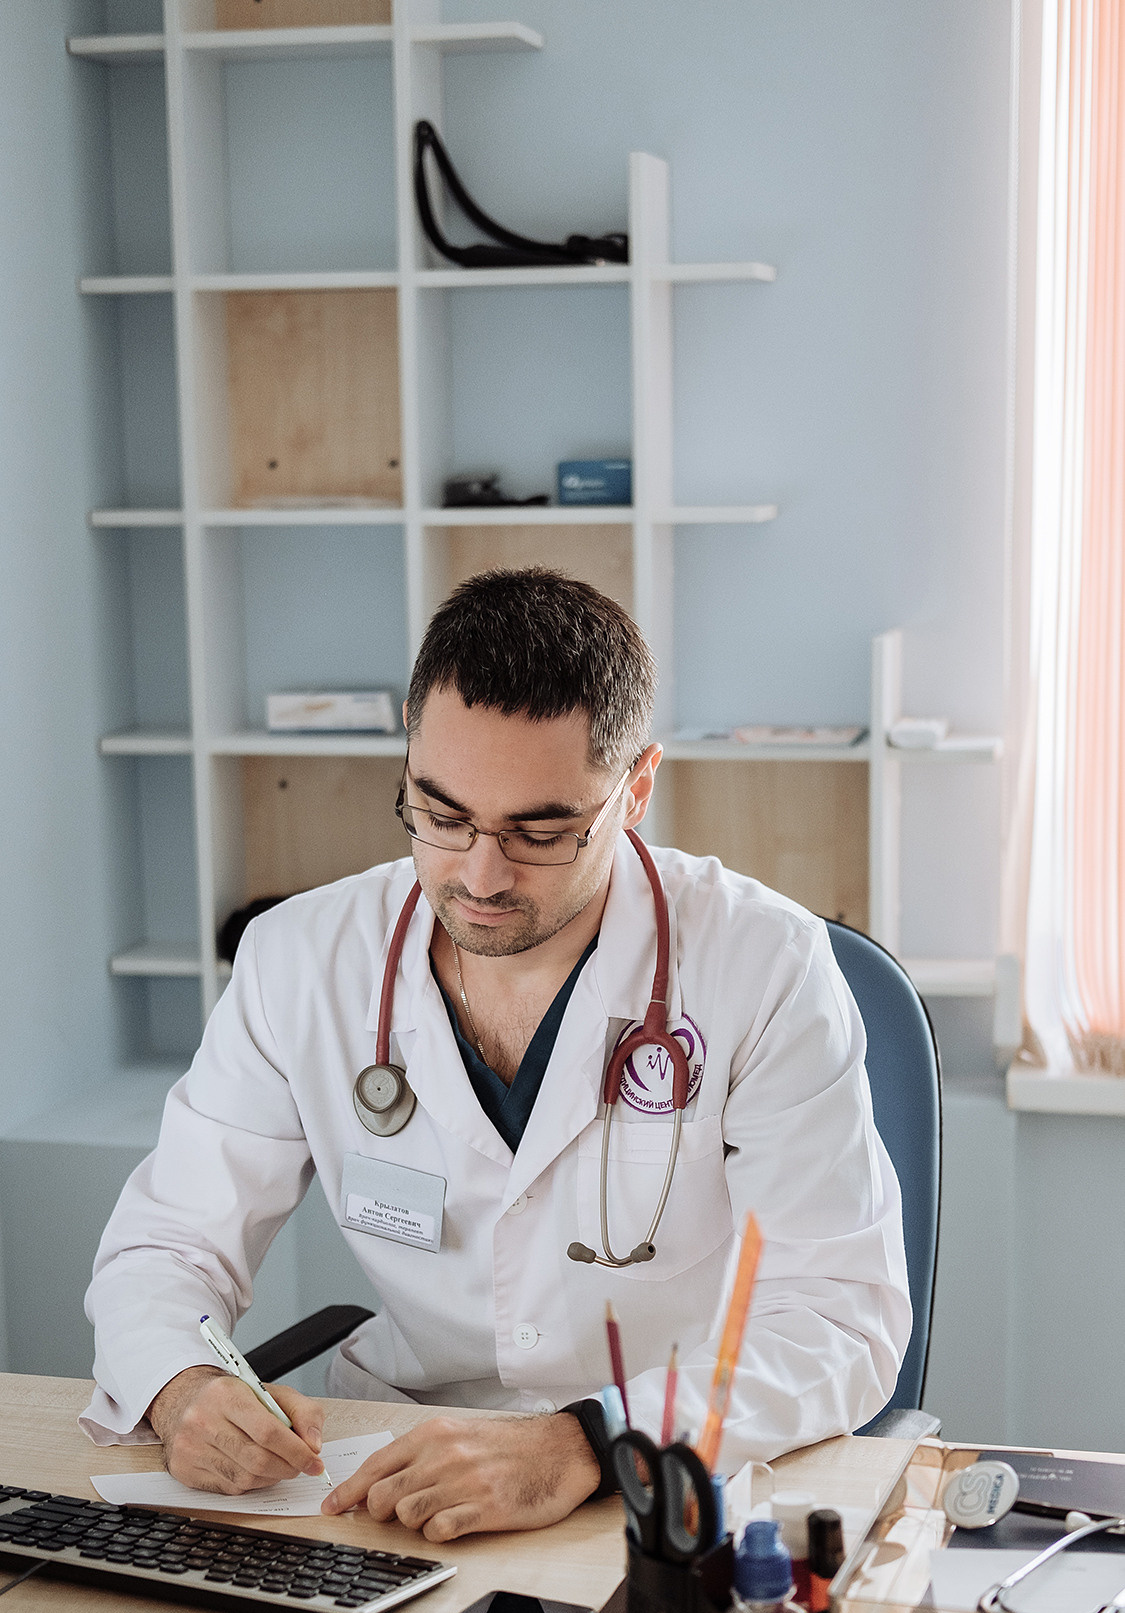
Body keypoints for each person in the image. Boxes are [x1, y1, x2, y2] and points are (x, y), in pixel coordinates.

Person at [83, 569, 911, 1541]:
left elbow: (838, 1317)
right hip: (393, 1464)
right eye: (441, 813)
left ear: (635, 788)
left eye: (541, 831)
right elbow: (168, 1243)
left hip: (662, 1467)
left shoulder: (759, 961)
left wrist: (584, 1442)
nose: (479, 874)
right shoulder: (298, 959)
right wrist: (184, 1385)